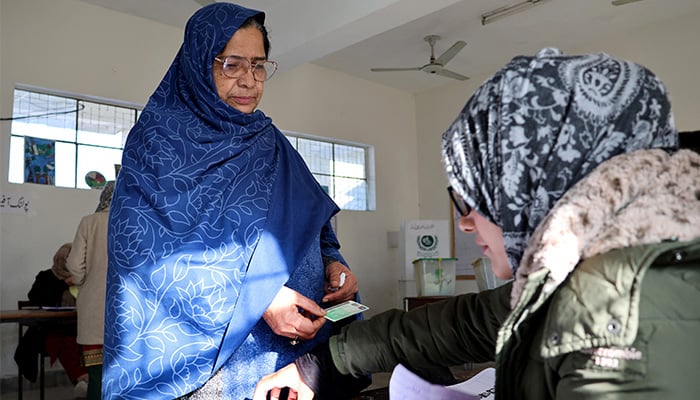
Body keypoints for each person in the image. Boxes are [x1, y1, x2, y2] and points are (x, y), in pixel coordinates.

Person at [254, 48, 700, 400]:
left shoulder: (615, 310)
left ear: (537, 185)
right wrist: (323, 363)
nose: (465, 223)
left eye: (476, 196)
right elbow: (467, 324)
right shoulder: (605, 259)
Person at [102, 3, 367, 399]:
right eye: (231, 65)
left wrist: (334, 262)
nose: (248, 81)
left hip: (298, 355)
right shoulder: (159, 142)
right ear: (198, 65)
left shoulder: (268, 139)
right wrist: (262, 297)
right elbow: (146, 256)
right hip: (219, 365)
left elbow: (313, 220)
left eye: (258, 66)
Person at [14, 243, 89, 397]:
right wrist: (63, 284)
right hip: (51, 328)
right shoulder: (46, 276)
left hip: (79, 327)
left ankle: (92, 381)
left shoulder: (84, 278)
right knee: (62, 339)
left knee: (94, 339)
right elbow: (35, 298)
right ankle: (82, 379)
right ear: (62, 259)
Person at [66, 181, 113, 400]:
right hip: (129, 315)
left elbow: (75, 265)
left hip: (94, 315)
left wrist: (80, 279)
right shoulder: (133, 221)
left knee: (96, 375)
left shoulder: (89, 222)